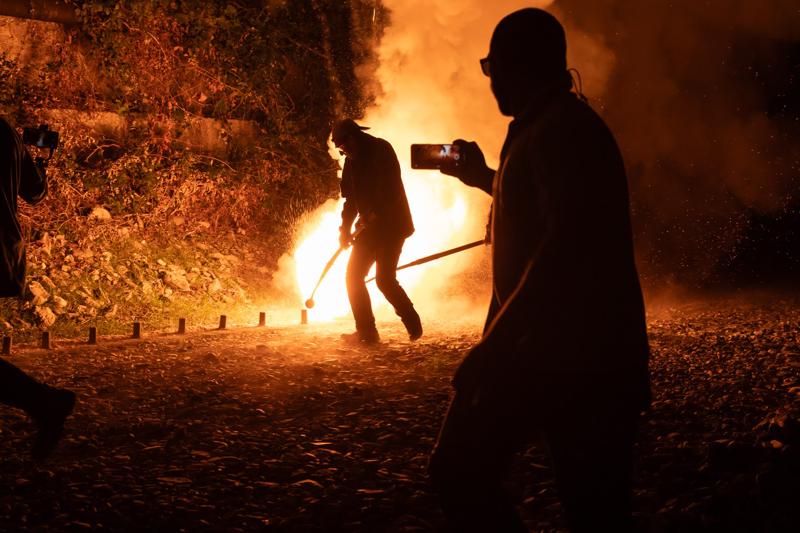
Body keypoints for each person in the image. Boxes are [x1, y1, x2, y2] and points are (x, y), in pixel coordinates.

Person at [429, 8, 651, 532]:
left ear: (519, 65)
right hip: (557, 354)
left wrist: (495, 345)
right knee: (588, 507)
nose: (490, 79)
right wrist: (483, 177)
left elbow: (564, 249)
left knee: (464, 472)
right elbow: (544, 210)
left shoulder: (562, 131)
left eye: (492, 66)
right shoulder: (548, 126)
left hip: (578, 360)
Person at [1, 116, 75, 460]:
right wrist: (41, 163)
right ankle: (45, 403)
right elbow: (35, 192)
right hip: (4, 251)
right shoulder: (6, 132)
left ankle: (46, 402)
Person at [331, 118, 422, 344]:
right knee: (353, 277)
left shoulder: (382, 150)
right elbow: (350, 201)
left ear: (354, 137)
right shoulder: (350, 163)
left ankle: (412, 321)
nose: (344, 151)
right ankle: (367, 332)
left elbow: (391, 190)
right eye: (340, 149)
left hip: (393, 227)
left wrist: (373, 213)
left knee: (384, 279)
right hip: (369, 231)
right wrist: (344, 230)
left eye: (344, 145)